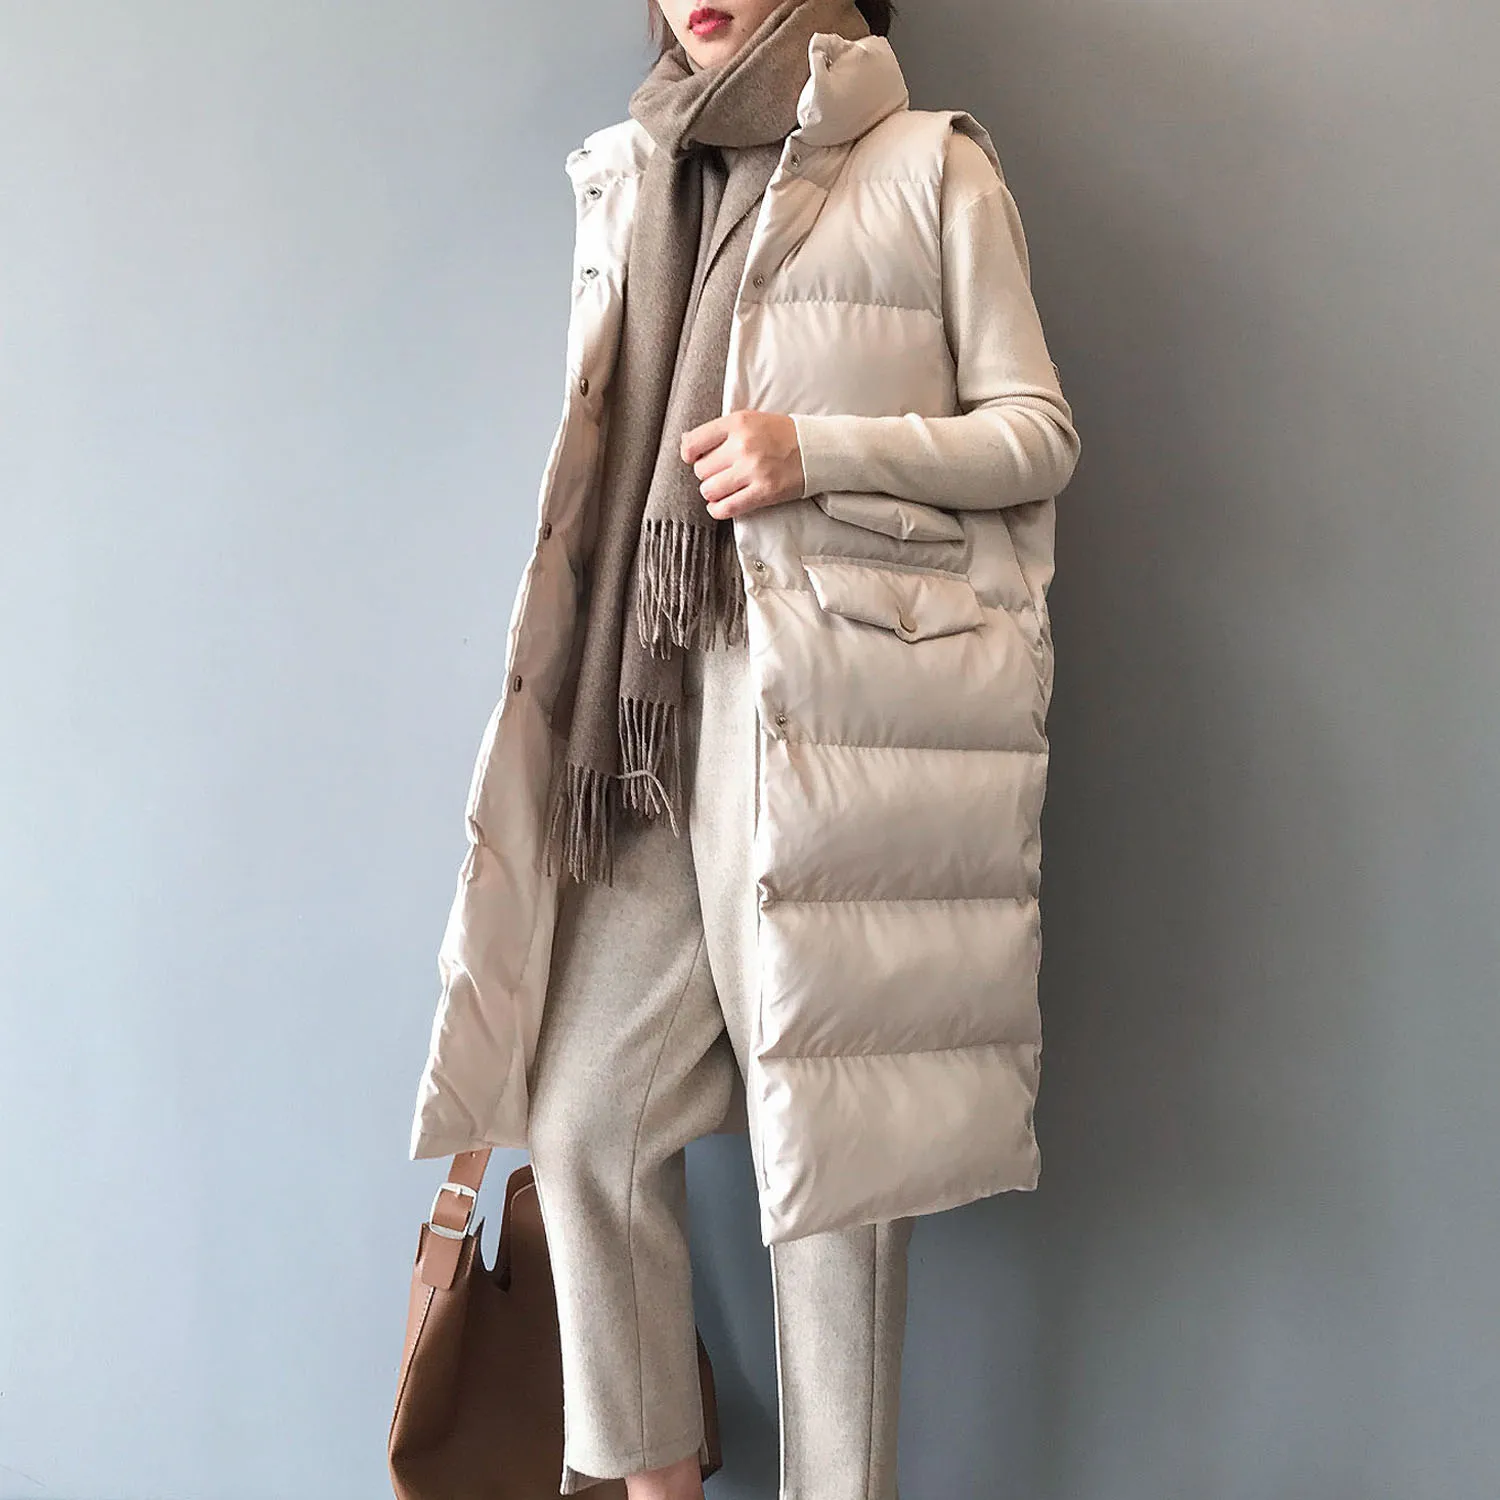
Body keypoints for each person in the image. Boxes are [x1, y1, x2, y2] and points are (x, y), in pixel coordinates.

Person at [407, 2, 1081, 1496]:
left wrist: (815, 449)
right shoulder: (637, 169)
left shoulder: (928, 165)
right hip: (648, 714)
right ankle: (655, 1483)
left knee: (831, 1181)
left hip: (840, 716)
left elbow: (1036, 432)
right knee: (585, 1114)